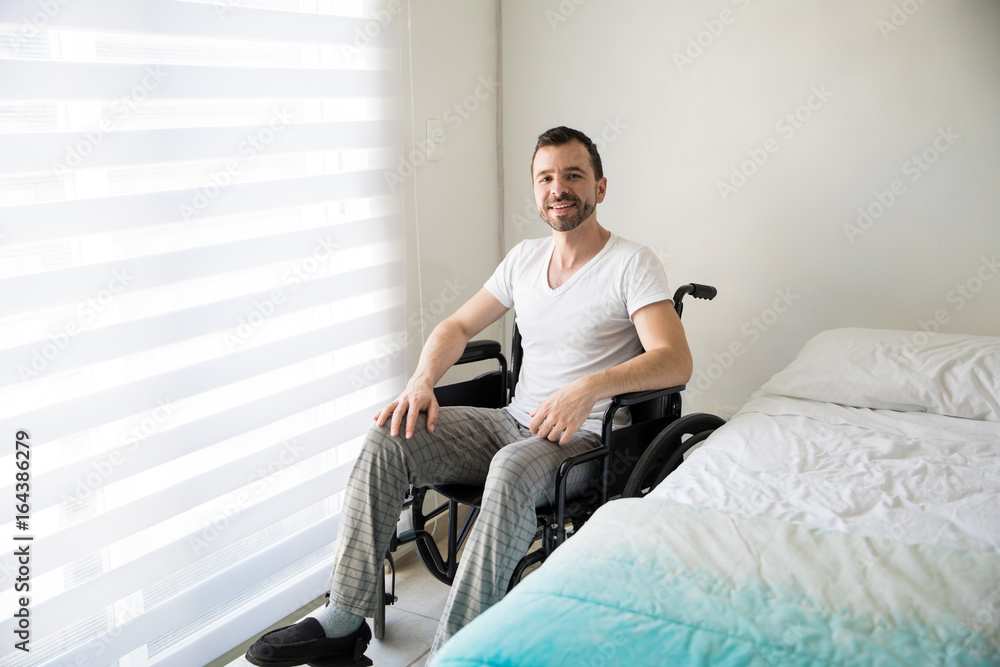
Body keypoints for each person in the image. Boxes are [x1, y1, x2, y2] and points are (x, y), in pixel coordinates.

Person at [245, 126, 693, 666]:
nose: (558, 188)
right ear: (535, 190)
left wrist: (588, 387)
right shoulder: (524, 259)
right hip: (512, 421)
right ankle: (342, 621)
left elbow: (675, 359)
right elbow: (455, 327)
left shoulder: (631, 262)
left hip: (584, 439)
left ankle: (454, 652)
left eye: (573, 175)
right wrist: (421, 382)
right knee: (389, 435)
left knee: (511, 466)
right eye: (545, 178)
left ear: (600, 187)